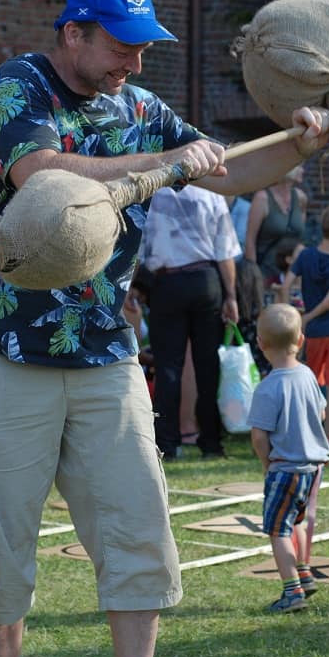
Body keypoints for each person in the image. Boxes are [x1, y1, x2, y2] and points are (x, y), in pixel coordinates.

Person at [0, 0, 329, 657]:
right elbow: (39, 173)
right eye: (122, 46)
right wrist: (166, 160)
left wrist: (297, 143)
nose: (136, 62)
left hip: (106, 354)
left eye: (144, 48)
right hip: (2, 351)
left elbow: (229, 169)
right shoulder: (20, 84)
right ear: (74, 34)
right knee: (2, 548)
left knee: (139, 536)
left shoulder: (142, 109)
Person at [141, 185, 241, 460]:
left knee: (167, 366)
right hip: (205, 279)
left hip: (166, 282)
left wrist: (133, 288)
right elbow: (225, 250)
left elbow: (140, 247)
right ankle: (211, 442)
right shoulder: (212, 193)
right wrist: (231, 296)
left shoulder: (153, 193)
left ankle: (166, 443)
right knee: (207, 366)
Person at [247, 303, 329, 613]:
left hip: (285, 468)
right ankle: (304, 573)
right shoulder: (307, 374)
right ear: (301, 340)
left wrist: (267, 463)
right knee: (297, 520)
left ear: (260, 344)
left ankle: (292, 591)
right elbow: (322, 413)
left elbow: (259, 436)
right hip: (314, 466)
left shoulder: (267, 388)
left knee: (277, 529)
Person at [282, 204, 329, 452]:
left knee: (311, 381)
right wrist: (306, 317)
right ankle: (327, 439)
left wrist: (292, 316)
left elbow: (286, 284)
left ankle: (307, 435)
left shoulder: (305, 256)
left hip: (313, 332)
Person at [245, 165, 309, 287]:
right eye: (298, 166)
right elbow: (250, 240)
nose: (302, 170)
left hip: (293, 276)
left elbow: (300, 238)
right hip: (266, 273)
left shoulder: (300, 197)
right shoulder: (262, 198)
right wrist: (254, 276)